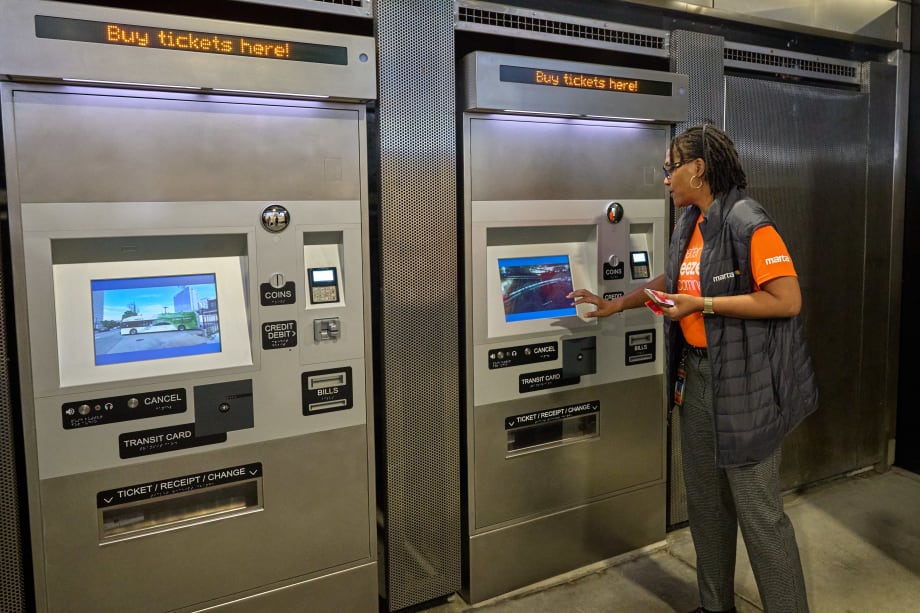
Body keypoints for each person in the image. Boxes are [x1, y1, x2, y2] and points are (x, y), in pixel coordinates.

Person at [568, 124, 818, 613]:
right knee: (705, 506)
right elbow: (674, 277)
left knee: (759, 515)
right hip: (697, 378)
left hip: (746, 386)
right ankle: (714, 606)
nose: (665, 179)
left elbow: (787, 300)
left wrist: (703, 304)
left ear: (698, 169)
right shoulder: (689, 223)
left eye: (670, 168)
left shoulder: (748, 221)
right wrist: (617, 305)